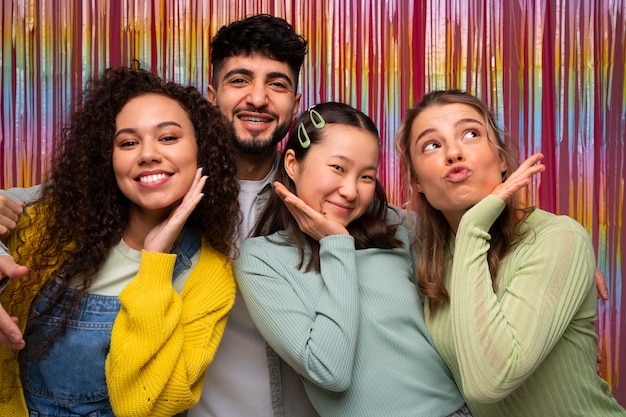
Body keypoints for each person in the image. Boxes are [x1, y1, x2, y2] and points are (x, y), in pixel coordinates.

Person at [0, 14, 318, 417]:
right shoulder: (122, 196)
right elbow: (29, 208)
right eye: (239, 80)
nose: (257, 98)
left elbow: (384, 225)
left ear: (296, 102)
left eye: (277, 84)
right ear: (211, 96)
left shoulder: (314, 201)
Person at [0, 65, 239, 416]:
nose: (147, 154)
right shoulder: (49, 224)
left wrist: (155, 264)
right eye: (128, 142)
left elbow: (140, 405)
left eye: (168, 137)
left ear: (201, 151)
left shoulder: (210, 276)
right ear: (107, 159)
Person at [395, 89, 626, 417]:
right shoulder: (425, 254)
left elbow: (489, 382)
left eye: (471, 134)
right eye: (432, 144)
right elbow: (356, 212)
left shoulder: (557, 238)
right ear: (416, 180)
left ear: (502, 159)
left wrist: (473, 226)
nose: (454, 152)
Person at [234, 102, 472, 417]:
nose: (350, 191)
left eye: (366, 177)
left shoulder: (400, 228)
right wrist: (337, 244)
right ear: (292, 164)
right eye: (337, 168)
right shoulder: (260, 259)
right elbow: (329, 371)